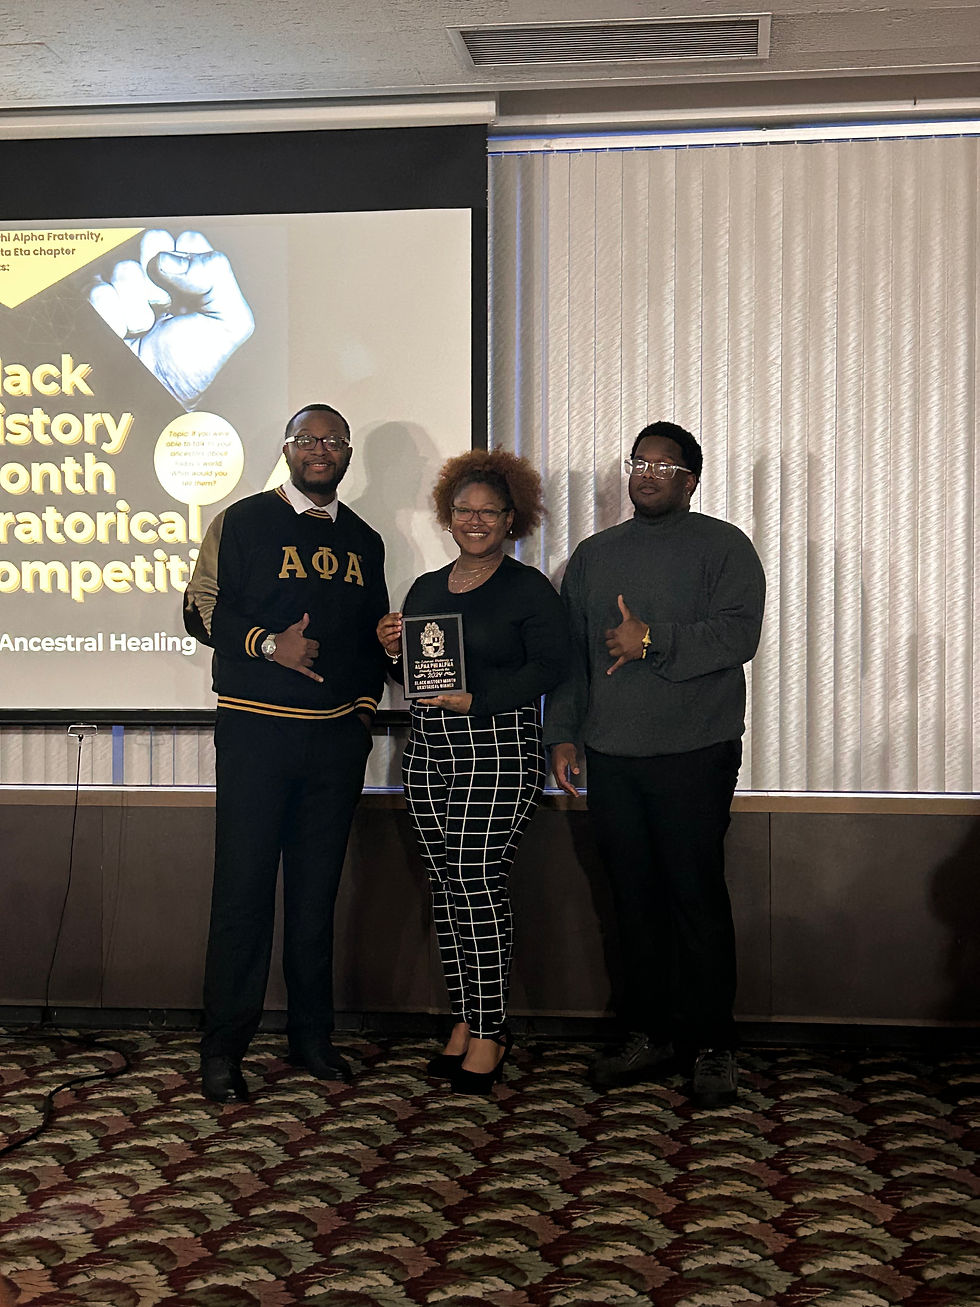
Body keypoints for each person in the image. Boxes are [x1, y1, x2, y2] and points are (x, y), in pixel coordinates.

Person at [544, 421, 765, 1108]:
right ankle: (649, 1034)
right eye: (638, 461)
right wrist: (563, 733)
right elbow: (574, 658)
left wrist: (653, 640)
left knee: (694, 897)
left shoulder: (724, 546)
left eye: (662, 464)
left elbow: (738, 634)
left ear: (690, 480)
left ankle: (711, 1043)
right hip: (612, 753)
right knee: (631, 900)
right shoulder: (593, 555)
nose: (645, 472)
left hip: (696, 750)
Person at [183, 403, 388, 1103]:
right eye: (308, 439)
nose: (320, 450)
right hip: (255, 735)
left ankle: (311, 1039)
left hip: (334, 745)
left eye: (333, 439)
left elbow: (370, 641)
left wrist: (362, 713)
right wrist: (270, 643)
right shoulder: (240, 522)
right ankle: (223, 1050)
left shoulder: (365, 540)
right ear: (288, 448)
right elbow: (198, 607)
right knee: (240, 896)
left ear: (348, 452)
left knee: (314, 900)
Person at [377, 449, 569, 1094]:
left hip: (500, 746)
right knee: (445, 886)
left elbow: (551, 669)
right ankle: (466, 1018)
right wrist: (391, 652)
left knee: (478, 883)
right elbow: (417, 681)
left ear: (513, 518)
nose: (475, 520)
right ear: (447, 515)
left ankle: (490, 1030)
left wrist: (478, 700)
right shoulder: (427, 588)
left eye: (489, 511)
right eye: (463, 510)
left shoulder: (528, 588)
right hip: (430, 748)